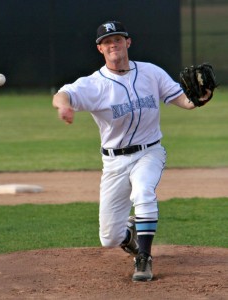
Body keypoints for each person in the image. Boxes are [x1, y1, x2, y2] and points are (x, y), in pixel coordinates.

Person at [52, 21, 211, 282]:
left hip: (149, 152)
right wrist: (63, 107)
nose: (112, 44)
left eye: (117, 39)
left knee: (143, 192)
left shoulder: (151, 73)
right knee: (109, 238)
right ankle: (129, 233)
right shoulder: (94, 84)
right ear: (100, 48)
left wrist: (197, 100)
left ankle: (144, 258)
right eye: (107, 41)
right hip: (114, 162)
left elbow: (181, 99)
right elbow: (62, 94)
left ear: (128, 42)